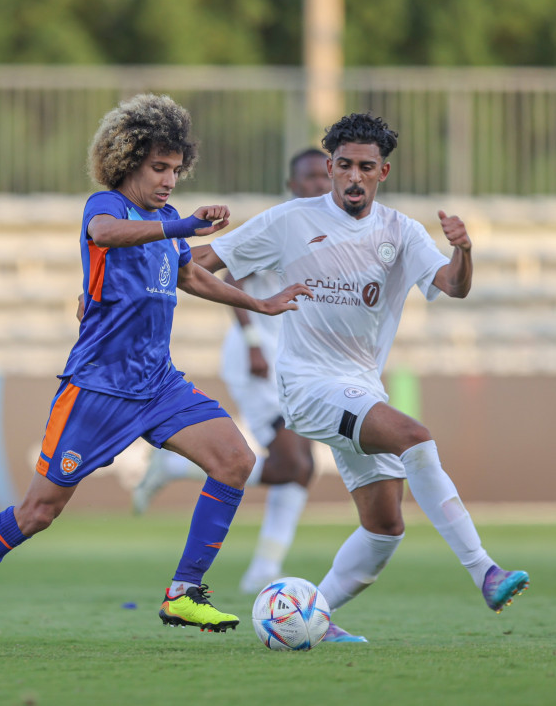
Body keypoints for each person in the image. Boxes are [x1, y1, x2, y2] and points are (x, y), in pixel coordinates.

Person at [0, 93, 312, 650]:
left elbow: (191, 277)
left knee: (236, 460)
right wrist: (183, 226)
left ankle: (184, 592)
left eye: (174, 169)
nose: (168, 181)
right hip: (97, 387)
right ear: (126, 162)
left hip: (158, 383)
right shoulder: (105, 206)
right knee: (39, 511)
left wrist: (260, 305)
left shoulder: (166, 221)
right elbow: (107, 237)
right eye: (156, 168)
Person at [192, 112, 529, 642]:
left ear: (383, 173)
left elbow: (452, 286)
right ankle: (484, 570)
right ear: (329, 167)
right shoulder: (290, 220)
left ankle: (308, 619)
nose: (353, 176)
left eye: (365, 167)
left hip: (360, 388)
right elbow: (199, 263)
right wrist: (134, 281)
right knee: (416, 437)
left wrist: (464, 251)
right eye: (343, 165)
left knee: (384, 526)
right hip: (306, 385)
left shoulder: (402, 231)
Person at [132, 148, 331, 597]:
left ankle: (265, 566)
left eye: (325, 176)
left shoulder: (332, 230)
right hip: (256, 357)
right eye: (310, 178)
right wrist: (255, 341)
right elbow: (231, 274)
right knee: (295, 464)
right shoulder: (285, 224)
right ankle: (177, 468)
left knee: (299, 468)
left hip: (296, 361)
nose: (320, 184)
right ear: (292, 186)